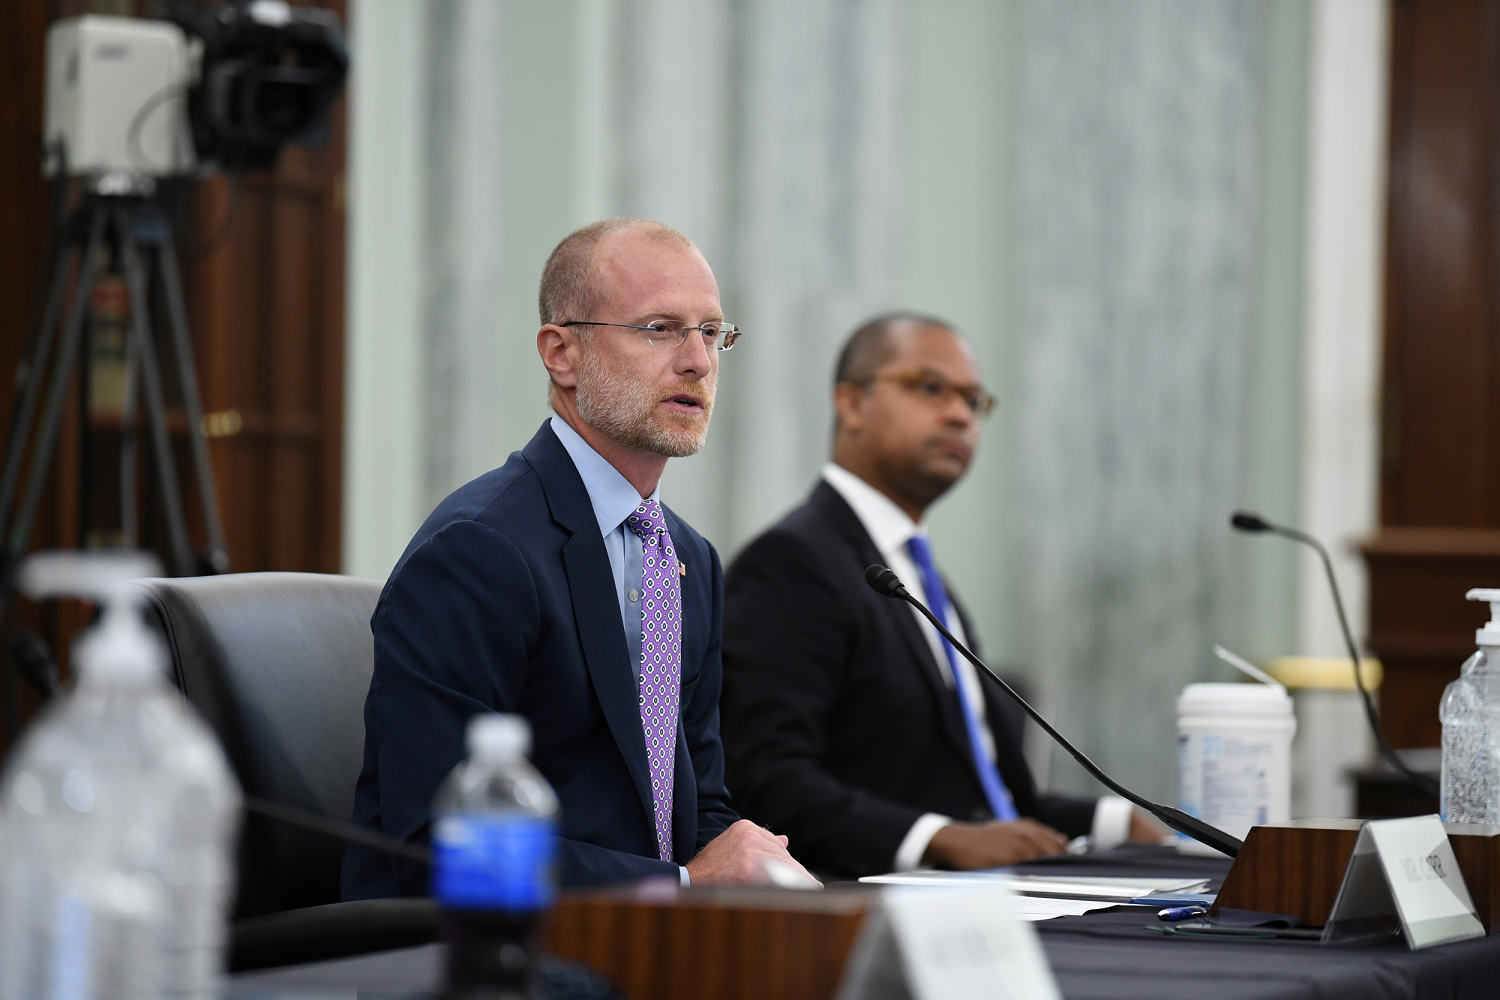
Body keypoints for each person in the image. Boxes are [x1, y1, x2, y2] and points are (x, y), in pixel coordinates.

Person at [342, 218, 817, 897]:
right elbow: (440, 848)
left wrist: (756, 869)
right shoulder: (479, 552)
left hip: (647, 947)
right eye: (660, 328)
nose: (698, 362)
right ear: (561, 353)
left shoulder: (686, 559)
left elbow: (698, 806)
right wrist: (681, 883)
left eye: (711, 332)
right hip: (481, 957)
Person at [720, 312, 1162, 879]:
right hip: (868, 911)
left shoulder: (917, 575)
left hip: (994, 892)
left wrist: (1114, 820)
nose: (958, 414)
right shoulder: (792, 562)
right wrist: (936, 839)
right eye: (930, 388)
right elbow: (768, 781)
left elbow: (997, 805)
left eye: (974, 401)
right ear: (851, 404)